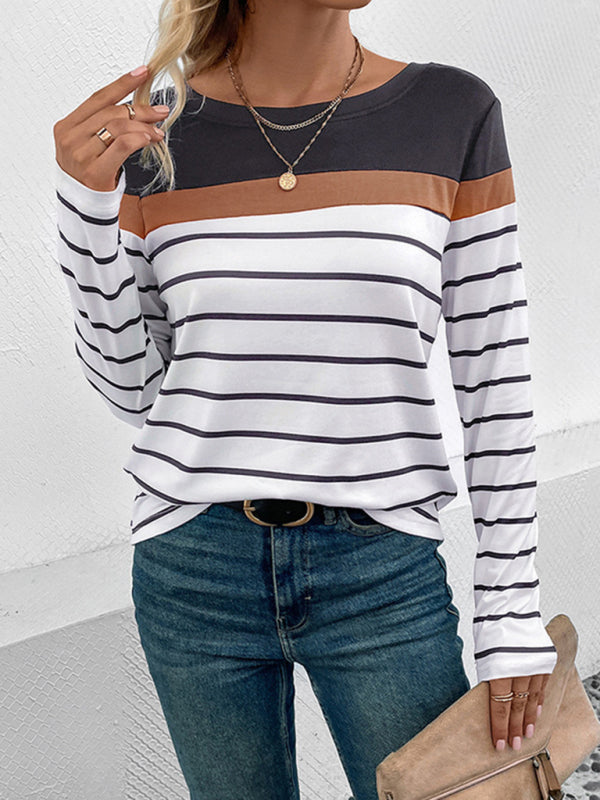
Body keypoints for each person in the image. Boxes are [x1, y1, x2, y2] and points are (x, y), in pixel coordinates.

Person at [53, 1, 559, 797]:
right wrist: (86, 209)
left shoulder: (450, 113)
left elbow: (494, 376)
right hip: (194, 568)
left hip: (380, 569)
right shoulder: (158, 136)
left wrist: (510, 605)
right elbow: (134, 389)